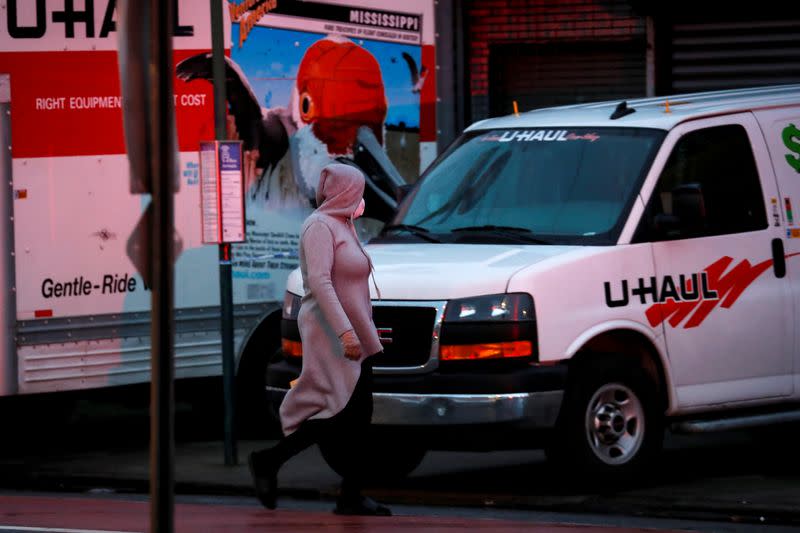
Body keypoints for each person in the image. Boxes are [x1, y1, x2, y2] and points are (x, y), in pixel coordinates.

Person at [248, 163, 390, 516]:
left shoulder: (343, 225)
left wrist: (365, 331)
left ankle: (349, 493)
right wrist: (346, 334)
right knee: (339, 411)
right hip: (332, 335)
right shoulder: (319, 227)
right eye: (358, 191)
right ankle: (271, 462)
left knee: (355, 415)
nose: (363, 199)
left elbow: (351, 286)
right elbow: (322, 285)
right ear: (345, 192)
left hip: (354, 334)